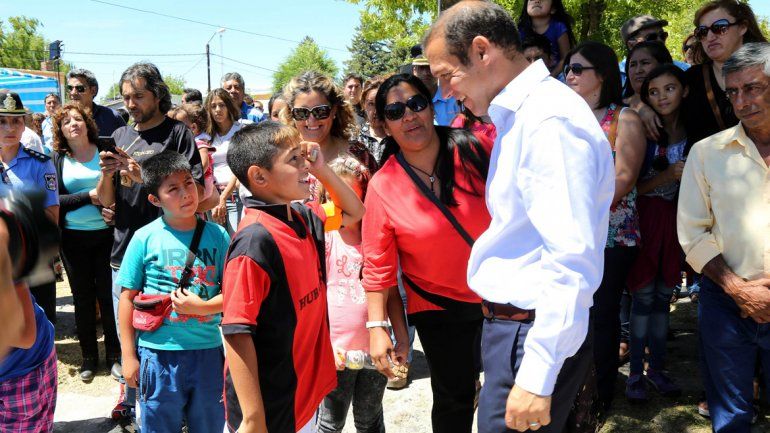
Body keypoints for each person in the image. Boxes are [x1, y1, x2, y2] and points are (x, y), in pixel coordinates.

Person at [424, 3, 615, 432]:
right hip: (519, 330)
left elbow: (571, 257)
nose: (445, 92)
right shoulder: (524, 116)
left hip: (530, 334)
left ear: (480, 51)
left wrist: (537, 373)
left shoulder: (548, 121)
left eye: (446, 75)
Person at [363, 73, 492, 433]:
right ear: (385, 126)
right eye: (395, 111)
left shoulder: (477, 148)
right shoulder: (384, 185)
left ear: (432, 107)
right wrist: (379, 327)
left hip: (502, 298)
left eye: (417, 104)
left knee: (510, 395)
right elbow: (378, 264)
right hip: (439, 306)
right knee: (454, 398)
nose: (409, 116)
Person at [221, 122, 365, 433]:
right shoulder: (254, 241)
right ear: (259, 176)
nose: (305, 166)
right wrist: (253, 419)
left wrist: (323, 170)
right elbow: (235, 332)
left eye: (303, 157)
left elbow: (354, 211)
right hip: (271, 409)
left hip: (303, 396)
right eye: (294, 160)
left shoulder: (304, 216)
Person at [677, 42, 770, 433]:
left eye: (753, 88)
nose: (742, 101)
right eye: (733, 91)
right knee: (731, 418)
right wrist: (738, 289)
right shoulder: (707, 152)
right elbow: (693, 233)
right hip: (726, 302)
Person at [96, 62, 207, 378]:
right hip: (124, 251)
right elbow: (106, 200)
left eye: (138, 96)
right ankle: (132, 407)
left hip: (167, 251)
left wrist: (139, 174)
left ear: (157, 95)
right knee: (127, 340)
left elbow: (195, 189)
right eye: (126, 96)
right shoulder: (119, 134)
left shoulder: (176, 133)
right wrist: (107, 175)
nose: (131, 104)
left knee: (167, 339)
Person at [116, 151, 230, 432]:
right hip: (158, 355)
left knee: (209, 425)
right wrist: (129, 356)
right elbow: (127, 299)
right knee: (158, 426)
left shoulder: (219, 235)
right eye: (173, 189)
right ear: (155, 199)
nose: (185, 193)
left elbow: (234, 294)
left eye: (189, 183)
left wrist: (201, 308)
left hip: (207, 352)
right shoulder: (144, 238)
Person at [564, 41, 645, 414]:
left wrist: (578, 209)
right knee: (575, 311)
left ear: (603, 75)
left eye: (579, 68)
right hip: (569, 232)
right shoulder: (563, 118)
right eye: (568, 67)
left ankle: (600, 395)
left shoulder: (624, 118)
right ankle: (575, 389)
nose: (570, 74)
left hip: (612, 233)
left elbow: (623, 179)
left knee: (602, 312)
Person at [624, 64, 689, 402]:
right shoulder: (644, 130)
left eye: (670, 88)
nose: (662, 97)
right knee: (643, 299)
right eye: (654, 91)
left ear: (685, 91)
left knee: (664, 297)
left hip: (678, 224)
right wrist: (667, 177)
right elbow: (630, 185)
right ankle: (635, 374)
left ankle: (658, 370)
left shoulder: (696, 130)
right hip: (644, 222)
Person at [316, 155, 388, 433]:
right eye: (332, 197)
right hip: (337, 352)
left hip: (375, 349)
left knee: (369, 420)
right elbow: (315, 294)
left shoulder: (377, 238)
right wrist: (322, 343)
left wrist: (400, 336)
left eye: (347, 197)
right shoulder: (324, 238)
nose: (339, 206)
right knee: (330, 423)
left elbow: (390, 293)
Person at [51, 102, 121, 382]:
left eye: (78, 119)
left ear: (87, 123)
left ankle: (114, 356)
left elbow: (120, 189)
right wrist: (88, 197)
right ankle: (89, 357)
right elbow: (53, 201)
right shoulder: (57, 159)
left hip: (106, 237)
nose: (73, 124)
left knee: (107, 296)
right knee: (82, 299)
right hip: (72, 239)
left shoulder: (105, 150)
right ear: (61, 131)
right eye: (66, 122)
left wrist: (113, 210)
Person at [0, 91, 59, 324]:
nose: (10, 128)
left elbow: (51, 217)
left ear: (24, 126)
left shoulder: (40, 164)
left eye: (16, 121)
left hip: (33, 254)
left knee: (39, 321)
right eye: (2, 121)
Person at [683, 0, 767, 150]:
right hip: (708, 168)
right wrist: (645, 108)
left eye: (720, 27)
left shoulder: (767, 70)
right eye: (702, 31)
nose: (710, 36)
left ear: (742, 27)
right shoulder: (690, 79)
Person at [281, 71, 378, 174]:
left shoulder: (359, 154)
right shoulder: (281, 158)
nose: (311, 120)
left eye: (320, 111)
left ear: (334, 110)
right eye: (301, 112)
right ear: (292, 114)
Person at [206, 88, 247, 233]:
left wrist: (223, 197)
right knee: (218, 241)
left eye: (221, 105)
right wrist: (214, 198)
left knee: (235, 239)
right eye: (213, 106)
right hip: (212, 196)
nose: (217, 110)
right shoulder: (207, 135)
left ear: (229, 106)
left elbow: (241, 166)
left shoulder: (241, 130)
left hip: (234, 195)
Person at [618, 15, 690, 88]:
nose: (660, 41)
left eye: (662, 36)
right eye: (651, 38)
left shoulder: (684, 69)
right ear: (631, 45)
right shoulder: (616, 75)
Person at [517, 0, 575, 77]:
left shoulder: (559, 28)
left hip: (556, 74)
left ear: (553, 9)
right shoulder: (520, 30)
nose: (537, 1)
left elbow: (566, 58)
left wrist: (552, 76)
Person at [174, 103, 217, 205]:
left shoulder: (200, 144)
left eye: (179, 126)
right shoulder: (187, 143)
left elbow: (204, 164)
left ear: (193, 127)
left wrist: (189, 179)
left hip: (202, 184)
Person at [66, 68, 126, 136]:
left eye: (79, 88)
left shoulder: (112, 118)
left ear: (93, 91)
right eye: (70, 88)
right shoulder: (63, 118)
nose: (73, 93)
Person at [411, 56, 461, 127]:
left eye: (430, 67)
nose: (426, 73)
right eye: (421, 68)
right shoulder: (409, 104)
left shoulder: (454, 99)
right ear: (414, 71)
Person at [623, 41, 674, 108]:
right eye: (633, 65)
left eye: (645, 63)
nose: (638, 70)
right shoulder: (615, 110)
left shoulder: (681, 104)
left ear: (663, 66)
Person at [359, 76, 388, 164]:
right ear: (364, 105)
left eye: (380, 104)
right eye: (371, 104)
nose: (376, 111)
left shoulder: (398, 136)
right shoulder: (355, 137)